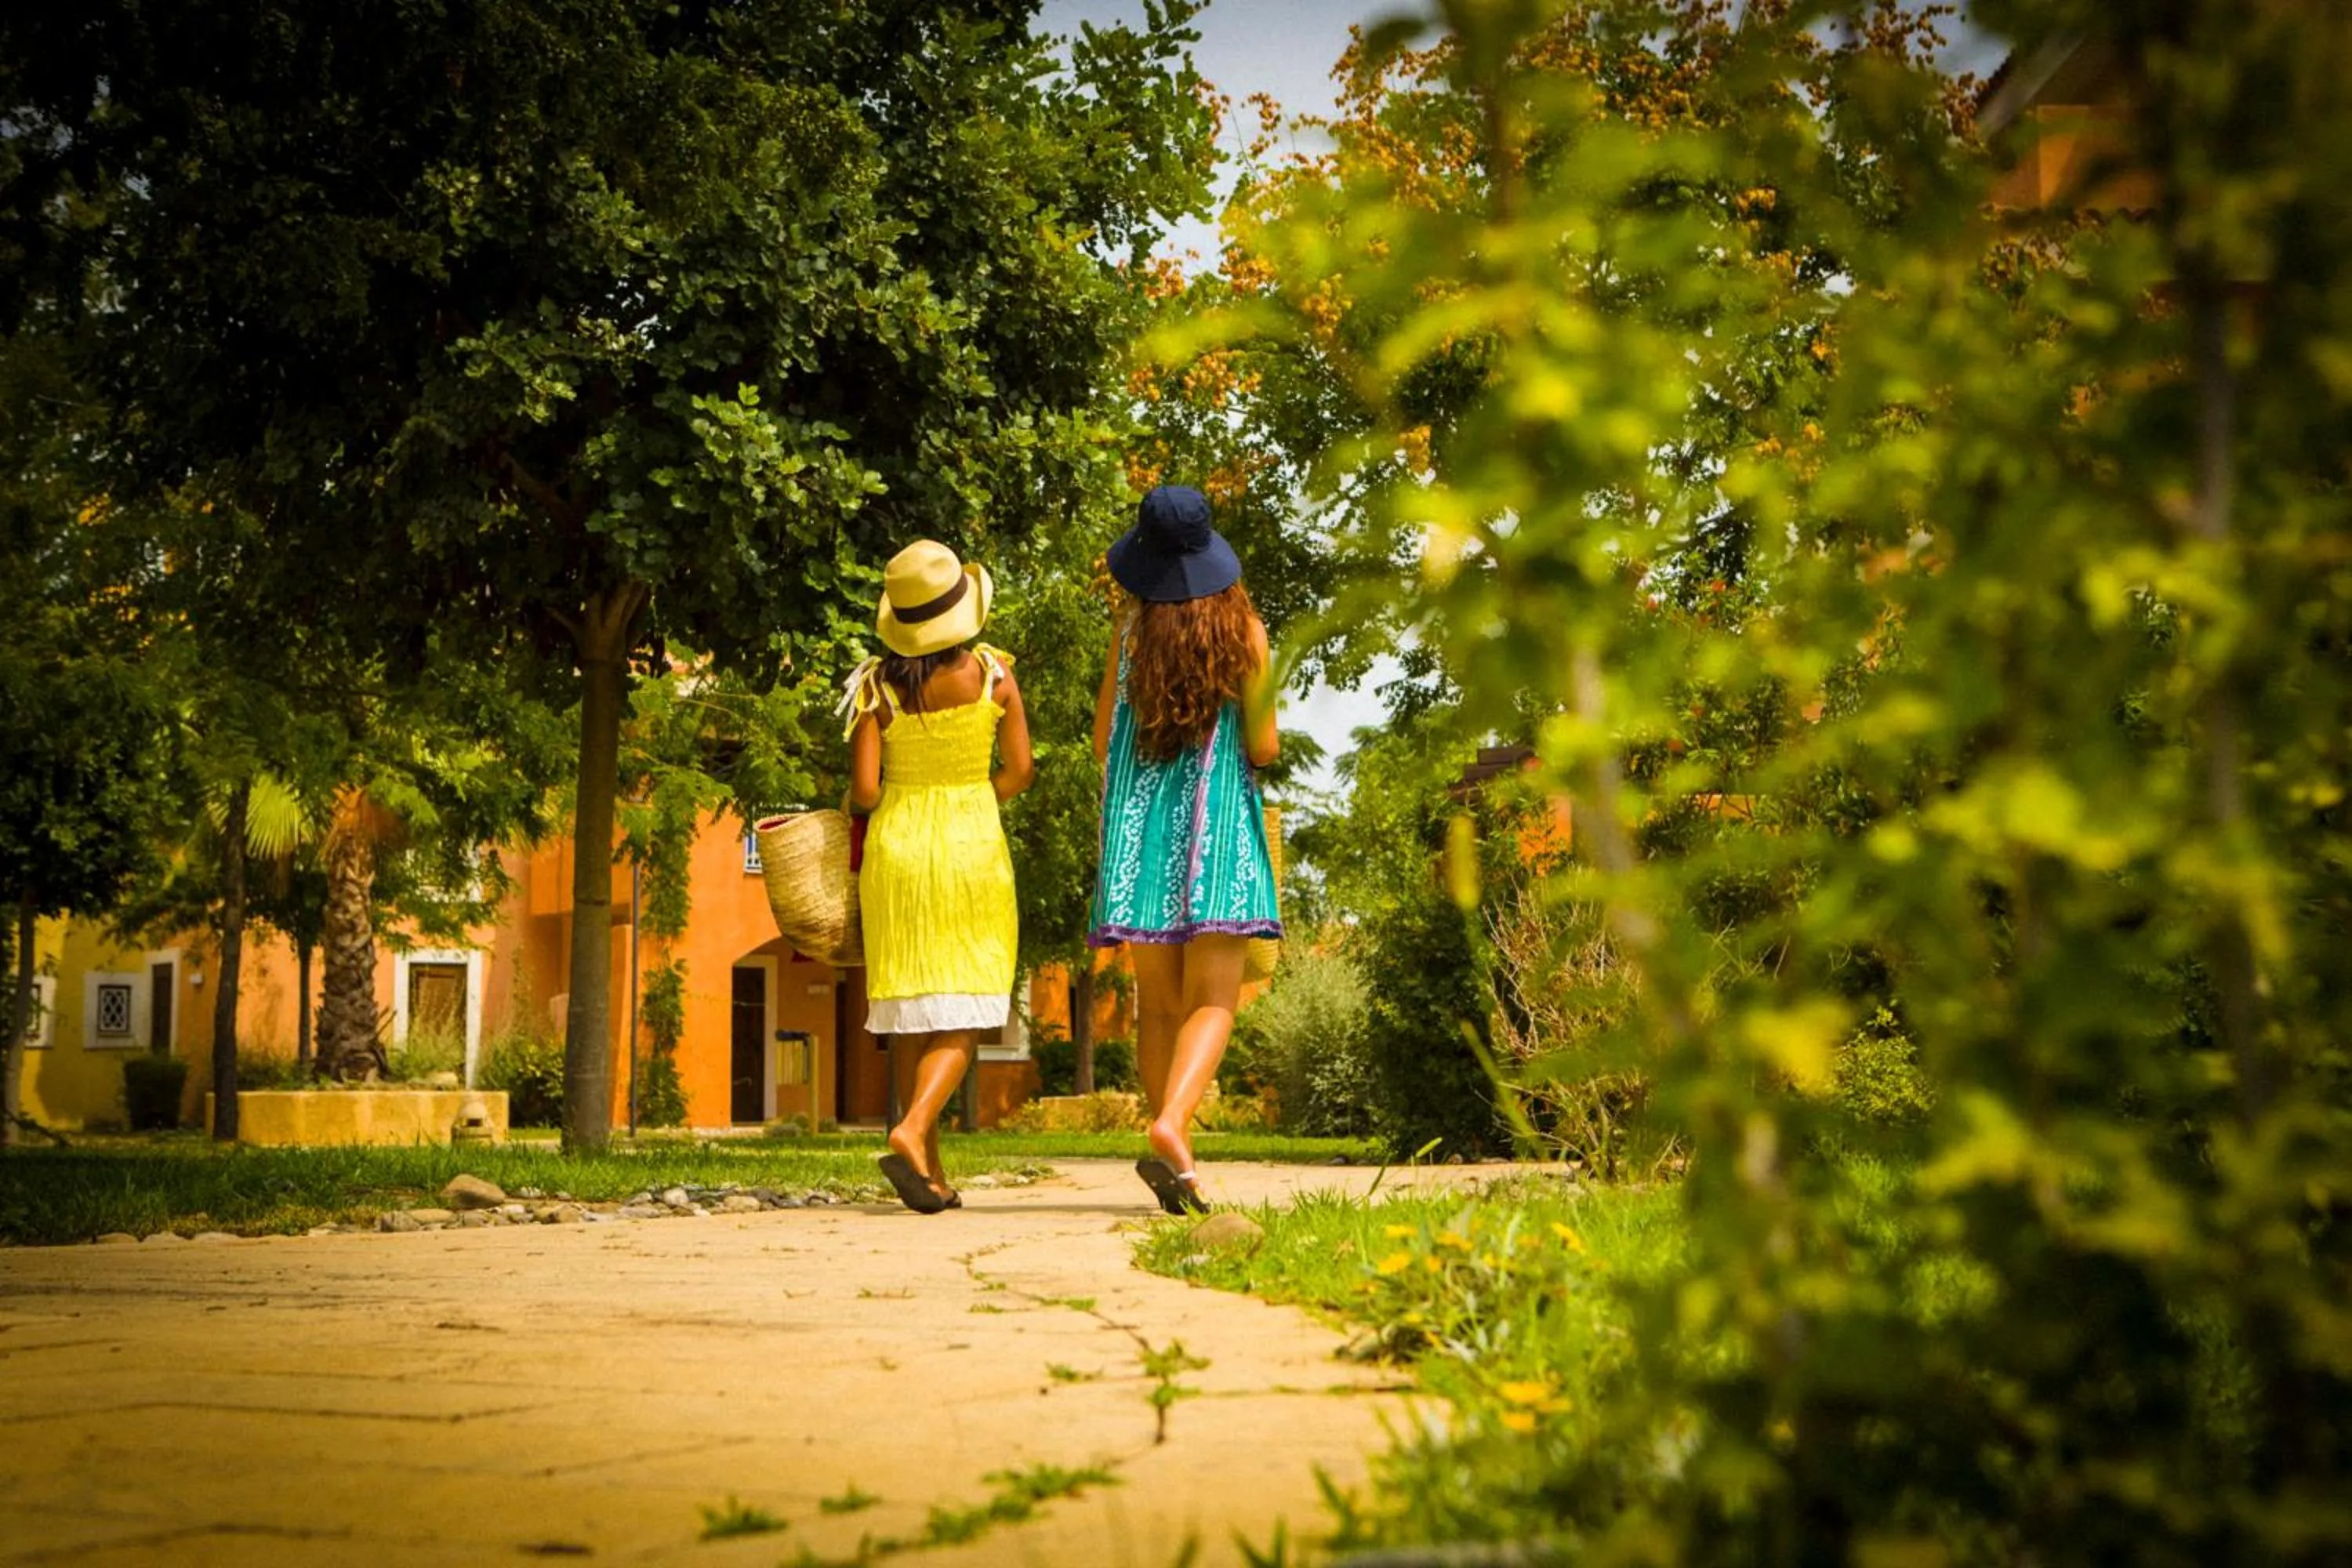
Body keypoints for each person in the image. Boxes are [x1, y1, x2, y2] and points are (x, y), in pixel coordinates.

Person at [1089, 485, 1281, 1214]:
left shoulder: (1132, 635)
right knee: (1215, 1001)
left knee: (1161, 1006)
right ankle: (1172, 1123)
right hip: (1218, 831)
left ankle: (1176, 1160)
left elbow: (1105, 737)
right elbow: (1263, 747)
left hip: (1142, 837)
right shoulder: (1247, 634)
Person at [844, 539, 1033, 1214]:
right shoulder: (994, 676)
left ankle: (929, 1171)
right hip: (970, 847)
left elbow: (866, 791)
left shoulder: (876, 688)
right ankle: (915, 1125)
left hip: (898, 851)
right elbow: (1020, 772)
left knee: (912, 1009)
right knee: (971, 1004)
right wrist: (971, 797)